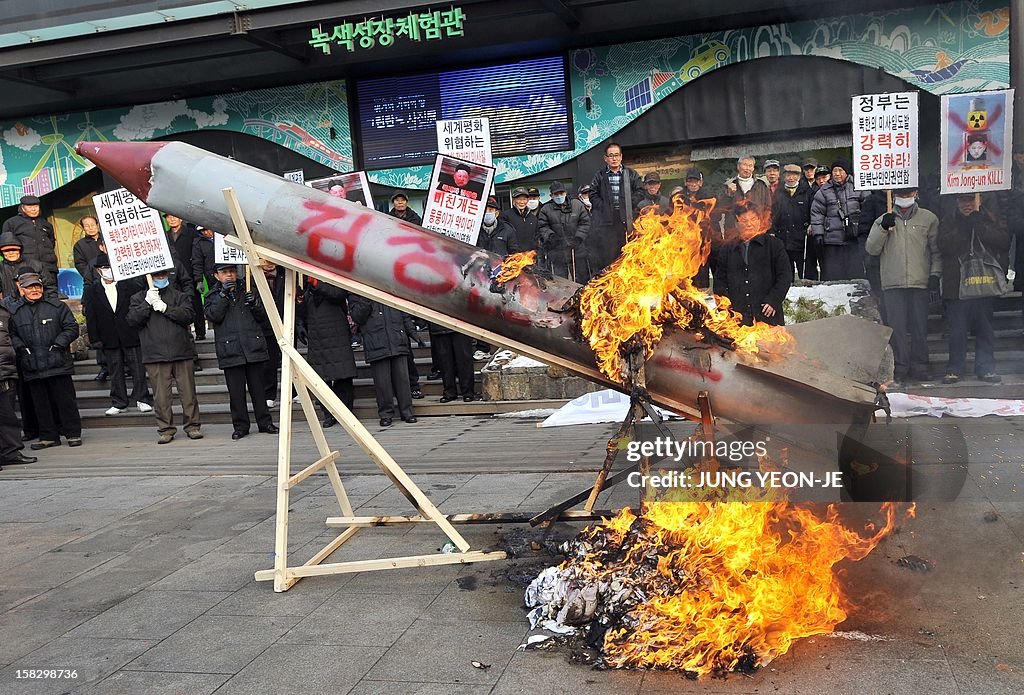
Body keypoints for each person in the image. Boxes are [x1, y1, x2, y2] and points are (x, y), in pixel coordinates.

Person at [865, 187, 941, 385]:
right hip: (893, 282)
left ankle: (920, 366)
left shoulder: (928, 218)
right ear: (894, 195)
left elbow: (936, 251)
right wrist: (883, 228)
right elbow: (871, 248)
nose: (904, 198)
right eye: (900, 194)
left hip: (920, 281)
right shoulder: (883, 219)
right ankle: (900, 368)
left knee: (919, 327)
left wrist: (935, 274)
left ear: (916, 193)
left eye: (908, 194)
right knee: (897, 328)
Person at [937, 193, 1010, 384]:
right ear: (957, 201)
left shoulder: (991, 217)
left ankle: (986, 368)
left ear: (979, 200)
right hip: (957, 285)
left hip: (983, 283)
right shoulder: (949, 219)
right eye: (963, 200)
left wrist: (980, 226)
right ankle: (955, 368)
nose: (967, 204)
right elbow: (943, 245)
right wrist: (964, 226)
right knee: (957, 330)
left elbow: (1004, 241)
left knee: (984, 328)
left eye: (970, 200)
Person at [126, 267, 202, 443]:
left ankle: (193, 426)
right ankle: (165, 429)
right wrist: (147, 303)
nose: (161, 277)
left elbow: (189, 315)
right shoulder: (138, 298)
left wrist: (166, 308)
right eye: (156, 275)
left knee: (188, 393)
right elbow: (132, 320)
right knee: (161, 396)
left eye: (163, 274)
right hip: (155, 354)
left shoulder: (179, 295)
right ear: (148, 278)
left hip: (181, 351)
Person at [8, 272, 82, 449]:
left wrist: (58, 344)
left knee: (66, 401)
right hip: (32, 363)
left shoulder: (57, 307)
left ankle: (72, 434)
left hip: (58, 362)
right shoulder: (15, 312)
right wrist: (21, 348)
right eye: (30, 287)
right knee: (40, 404)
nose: (34, 290)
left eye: (37, 286)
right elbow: (11, 335)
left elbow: (71, 328)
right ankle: (48, 436)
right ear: (22, 289)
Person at [205, 264, 278, 440]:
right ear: (216, 276)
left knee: (259, 389)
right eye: (224, 272)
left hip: (252, 345)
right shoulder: (212, 296)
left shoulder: (248, 289)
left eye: (231, 271)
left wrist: (255, 304)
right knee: (236, 393)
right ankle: (240, 426)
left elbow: (264, 316)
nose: (229, 275)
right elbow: (213, 316)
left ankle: (265, 422)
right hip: (230, 349)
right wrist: (223, 295)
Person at [82, 254, 152, 416]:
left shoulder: (129, 286)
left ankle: (142, 398)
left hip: (130, 334)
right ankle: (119, 402)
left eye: (110, 267)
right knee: (115, 369)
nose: (108, 271)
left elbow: (137, 308)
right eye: (104, 268)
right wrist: (95, 339)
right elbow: (91, 317)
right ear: (98, 271)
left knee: (137, 368)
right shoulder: (92, 291)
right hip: (108, 337)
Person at [714, 200, 792, 326]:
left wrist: (773, 300)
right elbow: (719, 281)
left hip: (767, 313)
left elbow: (785, 276)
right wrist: (724, 307)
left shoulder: (773, 245)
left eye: (753, 219)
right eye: (744, 221)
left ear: (760, 221)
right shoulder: (728, 248)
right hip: (738, 318)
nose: (749, 224)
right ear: (736, 223)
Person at [348, 296, 418, 427]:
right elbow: (357, 317)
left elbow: (403, 312)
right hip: (376, 340)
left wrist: (412, 332)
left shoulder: (387, 285)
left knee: (403, 380)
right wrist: (366, 299)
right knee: (382, 382)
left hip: (397, 338)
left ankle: (407, 411)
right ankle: (386, 414)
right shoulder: (357, 292)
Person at [298, 277, 357, 428]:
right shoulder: (304, 285)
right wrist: (299, 315)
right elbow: (301, 310)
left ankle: (345, 412)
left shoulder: (331, 276)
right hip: (317, 336)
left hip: (337, 333)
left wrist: (317, 284)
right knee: (321, 379)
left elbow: (338, 294)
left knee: (342, 376)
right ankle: (328, 413)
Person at [588, 142, 644, 271]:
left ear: (621, 156)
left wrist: (629, 203)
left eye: (617, 155)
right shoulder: (600, 175)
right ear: (605, 158)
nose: (614, 158)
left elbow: (640, 191)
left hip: (627, 219)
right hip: (608, 221)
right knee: (610, 255)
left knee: (628, 253)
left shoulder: (630, 174)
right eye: (611, 155)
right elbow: (592, 194)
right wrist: (603, 207)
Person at [810, 159, 866, 281]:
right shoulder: (824, 191)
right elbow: (817, 213)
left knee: (855, 273)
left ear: (847, 172)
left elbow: (867, 208)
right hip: (832, 239)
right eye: (835, 170)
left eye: (840, 170)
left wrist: (864, 229)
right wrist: (818, 233)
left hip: (854, 237)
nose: (837, 173)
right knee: (834, 273)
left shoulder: (858, 186)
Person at [0, 300, 35, 469]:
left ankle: (11, 452)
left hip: (6, 371)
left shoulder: (5, 313)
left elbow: (11, 337)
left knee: (7, 415)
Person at [538, 182, 591, 282]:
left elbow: (585, 222)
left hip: (577, 251)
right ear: (551, 195)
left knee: (581, 280)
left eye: (561, 193)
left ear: (565, 193)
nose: (559, 196)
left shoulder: (577, 205)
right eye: (556, 194)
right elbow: (542, 226)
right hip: (557, 251)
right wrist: (551, 237)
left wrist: (578, 238)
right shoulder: (545, 209)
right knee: (560, 281)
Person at [2, 195, 58, 288]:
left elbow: (52, 242)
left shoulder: (46, 224)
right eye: (30, 207)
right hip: (25, 267)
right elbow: (6, 245)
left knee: (51, 294)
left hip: (49, 266)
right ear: (22, 208)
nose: (33, 209)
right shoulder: (11, 223)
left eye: (36, 206)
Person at [164, 214, 205, 341]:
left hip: (190, 274)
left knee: (195, 303)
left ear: (180, 218)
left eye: (174, 217)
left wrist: (198, 279)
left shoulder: (191, 234)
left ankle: (200, 331)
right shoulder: (165, 235)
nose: (171, 219)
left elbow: (197, 256)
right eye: (168, 217)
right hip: (172, 276)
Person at [771, 163, 812, 279]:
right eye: (788, 175)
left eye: (794, 175)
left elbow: (812, 211)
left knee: (803, 270)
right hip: (784, 237)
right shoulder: (778, 193)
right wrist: (773, 230)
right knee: (786, 270)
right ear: (784, 177)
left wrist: (811, 224)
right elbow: (774, 214)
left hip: (801, 238)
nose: (791, 178)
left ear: (799, 177)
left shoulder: (806, 192)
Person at [500, 187, 540, 251]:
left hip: (530, 256)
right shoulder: (505, 216)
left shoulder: (533, 218)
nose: (522, 202)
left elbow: (536, 238)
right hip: (513, 256)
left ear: (527, 200)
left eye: (524, 199)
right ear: (514, 200)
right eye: (519, 199)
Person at [73, 215, 103, 289]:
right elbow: (80, 265)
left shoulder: (107, 239)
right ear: (83, 228)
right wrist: (93, 276)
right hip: (93, 282)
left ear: (97, 225)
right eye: (87, 226)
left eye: (93, 225)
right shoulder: (79, 245)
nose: (90, 228)